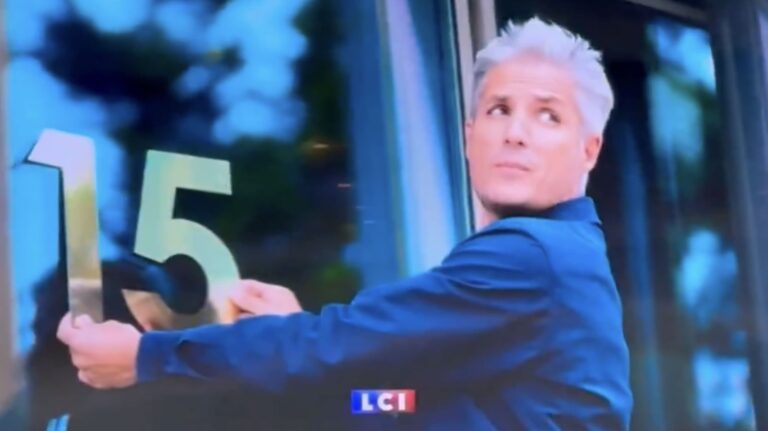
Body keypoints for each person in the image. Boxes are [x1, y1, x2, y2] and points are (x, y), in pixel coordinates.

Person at [57, 17, 633, 430]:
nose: (515, 133)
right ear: (468, 136)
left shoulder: (534, 256)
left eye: (547, 116)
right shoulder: (551, 271)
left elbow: (340, 349)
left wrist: (149, 357)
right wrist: (309, 344)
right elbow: (397, 404)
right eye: (499, 109)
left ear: (589, 149)